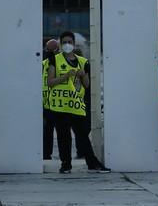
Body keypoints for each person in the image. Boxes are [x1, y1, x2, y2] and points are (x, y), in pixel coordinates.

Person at [44, 31, 109, 173]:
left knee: (82, 136)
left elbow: (86, 85)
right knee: (63, 137)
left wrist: (82, 75)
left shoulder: (82, 62)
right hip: (60, 106)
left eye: (70, 42)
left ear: (74, 44)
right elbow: (50, 82)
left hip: (76, 105)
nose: (67, 45)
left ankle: (92, 163)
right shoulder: (55, 60)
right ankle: (66, 164)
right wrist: (66, 76)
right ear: (60, 45)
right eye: (64, 42)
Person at [41, 38, 59, 161]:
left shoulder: (61, 62)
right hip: (45, 103)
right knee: (47, 132)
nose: (50, 51)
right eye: (48, 49)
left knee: (62, 132)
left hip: (59, 103)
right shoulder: (42, 63)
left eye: (53, 49)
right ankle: (46, 154)